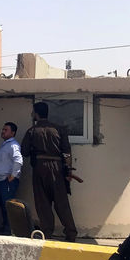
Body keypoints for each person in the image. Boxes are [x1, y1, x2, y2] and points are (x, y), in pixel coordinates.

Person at [21, 102, 77, 242]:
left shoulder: (32, 131)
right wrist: (68, 170)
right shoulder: (59, 129)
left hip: (39, 168)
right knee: (62, 202)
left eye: (32, 112)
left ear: (36, 113)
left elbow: (24, 152)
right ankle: (71, 233)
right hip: (58, 168)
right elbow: (67, 152)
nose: (31, 114)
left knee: (43, 203)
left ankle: (47, 233)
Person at [0, 122, 23, 235]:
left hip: (7, 181)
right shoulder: (6, 144)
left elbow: (18, 160)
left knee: (8, 205)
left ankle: (10, 229)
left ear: (13, 132)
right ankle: (6, 227)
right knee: (2, 205)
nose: (2, 131)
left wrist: (13, 175)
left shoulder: (13, 145)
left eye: (5, 130)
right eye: (2, 129)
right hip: (1, 180)